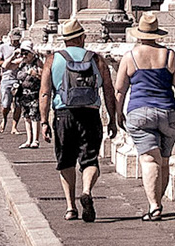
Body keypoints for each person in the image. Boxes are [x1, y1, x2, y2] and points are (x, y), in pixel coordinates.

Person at [113, 11, 175, 220]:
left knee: (149, 160)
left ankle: (154, 206)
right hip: (169, 112)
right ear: (157, 34)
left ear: (139, 34)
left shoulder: (130, 57)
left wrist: (117, 113)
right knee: (164, 160)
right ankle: (158, 203)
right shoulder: (169, 55)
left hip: (140, 114)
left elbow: (120, 90)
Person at [40, 19, 119, 223]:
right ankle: (86, 191)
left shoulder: (52, 60)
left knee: (66, 161)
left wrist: (43, 121)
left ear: (65, 40)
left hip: (63, 115)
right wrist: (112, 118)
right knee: (90, 160)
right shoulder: (97, 59)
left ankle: (70, 207)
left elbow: (45, 93)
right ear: (82, 37)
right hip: (90, 114)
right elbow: (108, 91)